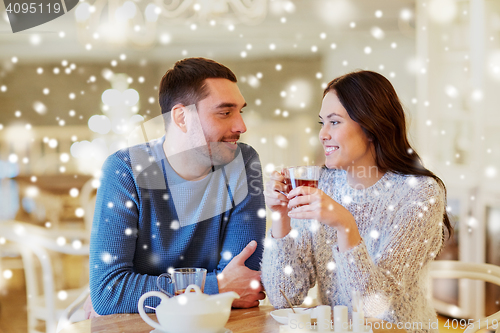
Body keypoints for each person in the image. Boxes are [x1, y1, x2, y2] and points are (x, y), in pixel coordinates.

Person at [261, 70, 452, 332]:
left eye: (335, 122)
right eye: (322, 123)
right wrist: (281, 218)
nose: (323, 135)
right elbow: (285, 297)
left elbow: (374, 309)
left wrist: (345, 225)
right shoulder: (320, 184)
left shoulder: (419, 193)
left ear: (372, 127)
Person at [88, 58, 266, 316]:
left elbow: (244, 283)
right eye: (225, 113)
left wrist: (149, 291)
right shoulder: (125, 170)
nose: (241, 126)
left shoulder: (243, 162)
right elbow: (110, 294)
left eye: (240, 111)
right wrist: (216, 286)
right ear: (182, 117)